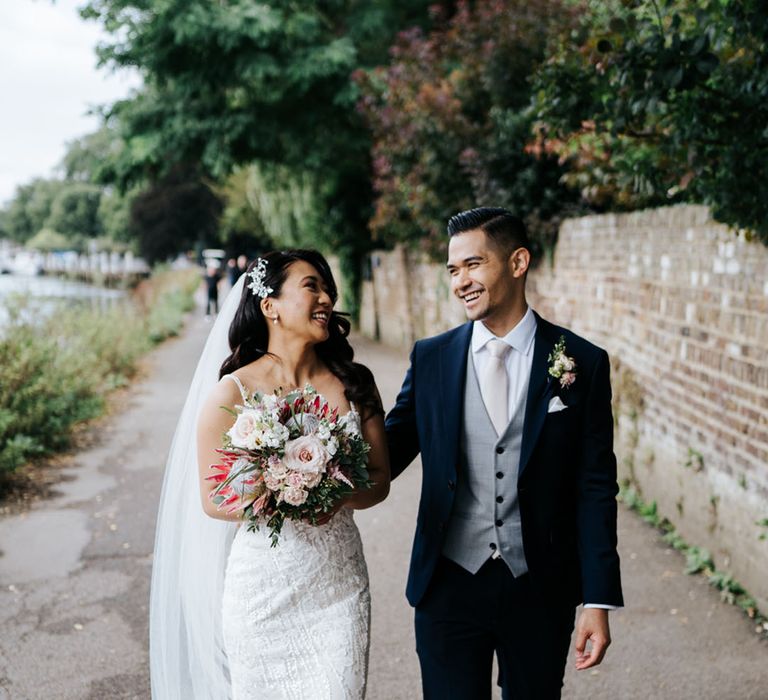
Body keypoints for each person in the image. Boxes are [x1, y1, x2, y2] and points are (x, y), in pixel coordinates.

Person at [385, 208, 623, 699]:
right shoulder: (430, 359)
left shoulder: (583, 362)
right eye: (453, 270)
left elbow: (594, 485)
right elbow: (385, 456)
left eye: (473, 265)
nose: (461, 282)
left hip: (540, 586)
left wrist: (598, 599)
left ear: (518, 262)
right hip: (448, 584)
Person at [150, 249, 390, 699]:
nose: (326, 297)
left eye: (327, 288)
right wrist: (284, 485)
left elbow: (380, 480)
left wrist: (336, 494)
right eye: (311, 286)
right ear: (270, 306)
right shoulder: (233, 390)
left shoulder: (356, 382)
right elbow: (214, 498)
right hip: (262, 591)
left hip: (338, 586)